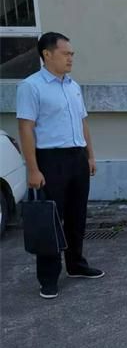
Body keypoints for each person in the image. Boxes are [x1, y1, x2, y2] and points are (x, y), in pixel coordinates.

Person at [16, 32, 104, 299]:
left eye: (72, 54)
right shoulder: (31, 86)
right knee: (50, 220)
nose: (71, 58)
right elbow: (26, 128)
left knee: (77, 215)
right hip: (50, 160)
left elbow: (82, 122)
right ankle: (48, 277)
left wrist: (90, 155)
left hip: (77, 158)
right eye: (66, 54)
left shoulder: (73, 86)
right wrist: (33, 169)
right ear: (47, 54)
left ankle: (76, 264)